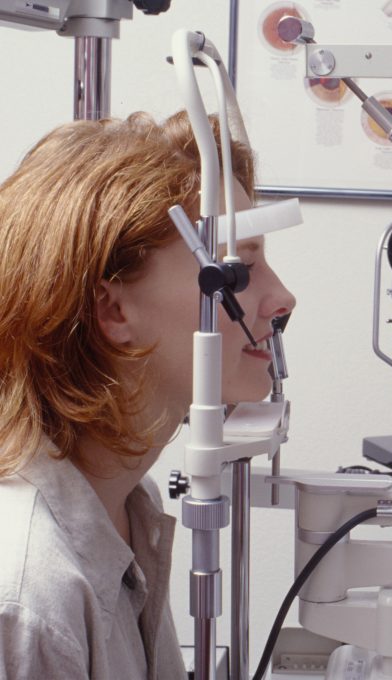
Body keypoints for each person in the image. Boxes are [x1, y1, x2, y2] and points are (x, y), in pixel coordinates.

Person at [0, 112, 296, 679]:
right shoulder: (30, 597)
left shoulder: (128, 500)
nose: (283, 298)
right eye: (239, 270)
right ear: (114, 310)